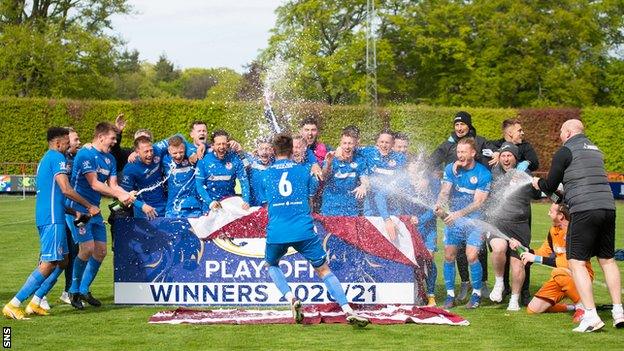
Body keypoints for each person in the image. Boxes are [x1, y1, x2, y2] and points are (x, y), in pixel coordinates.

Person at [261, 133, 369, 327]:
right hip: (304, 229)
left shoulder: (266, 174)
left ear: (274, 151)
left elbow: (266, 197)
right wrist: (314, 167)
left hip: (278, 230)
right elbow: (315, 186)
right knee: (324, 270)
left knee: (271, 265)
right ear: (291, 150)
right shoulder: (304, 170)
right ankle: (347, 309)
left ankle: (291, 298)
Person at [532, 119, 623, 332]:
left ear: (569, 132)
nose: (561, 136)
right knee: (608, 260)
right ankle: (618, 311)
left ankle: (590, 315)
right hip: (608, 208)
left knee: (577, 263)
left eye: (562, 132)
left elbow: (550, 185)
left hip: (584, 210)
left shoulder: (565, 151)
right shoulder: (596, 150)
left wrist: (538, 184)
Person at [3, 127, 100, 319]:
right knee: (48, 263)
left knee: (62, 260)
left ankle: (36, 301)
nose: (68, 145)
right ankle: (14, 304)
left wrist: (75, 211)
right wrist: (89, 206)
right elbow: (66, 189)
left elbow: (55, 196)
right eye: (66, 142)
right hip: (52, 219)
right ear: (58, 143)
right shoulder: (57, 158)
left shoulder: (47, 159)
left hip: (52, 215)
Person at [65, 122, 135, 309]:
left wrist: (127, 194)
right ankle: (73, 290)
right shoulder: (85, 154)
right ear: (101, 137)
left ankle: (84, 290)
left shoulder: (110, 159)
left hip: (94, 210)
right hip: (78, 209)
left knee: (101, 251)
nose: (114, 142)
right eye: (112, 138)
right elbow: (95, 184)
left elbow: (113, 186)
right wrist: (119, 195)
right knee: (87, 249)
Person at [430, 111, 494, 301]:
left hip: (474, 220)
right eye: (458, 152)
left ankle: (476, 293)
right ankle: (450, 294)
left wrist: (457, 214)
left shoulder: (483, 173)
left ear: (473, 153)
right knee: (449, 256)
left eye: (463, 152)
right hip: (454, 219)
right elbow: (444, 191)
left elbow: (479, 202)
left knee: (472, 256)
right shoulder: (451, 168)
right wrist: (440, 204)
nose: (460, 155)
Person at [509, 203, 588, 321]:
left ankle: (584, 307)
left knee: (558, 271)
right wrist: (523, 249)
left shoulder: (574, 231)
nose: (548, 213)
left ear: (561, 216)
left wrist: (535, 258)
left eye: (551, 211)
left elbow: (569, 263)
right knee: (533, 309)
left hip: (579, 276)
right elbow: (543, 252)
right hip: (561, 277)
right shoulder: (553, 230)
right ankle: (573, 307)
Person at [489, 119, 539, 305]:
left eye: (510, 156)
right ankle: (500, 284)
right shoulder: (493, 173)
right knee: (499, 248)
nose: (506, 158)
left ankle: (515, 299)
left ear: (516, 159)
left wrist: (531, 181)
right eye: (504, 155)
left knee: (519, 261)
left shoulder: (524, 175)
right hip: (498, 223)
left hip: (519, 224)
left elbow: (538, 191)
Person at [361, 130, 407, 240]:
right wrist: (338, 149)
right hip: (371, 209)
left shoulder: (399, 158)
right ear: (377, 142)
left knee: (391, 245)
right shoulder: (369, 152)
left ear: (392, 144)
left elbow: (393, 186)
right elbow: (350, 148)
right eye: (381, 142)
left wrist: (387, 218)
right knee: (370, 243)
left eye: (387, 142)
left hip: (391, 210)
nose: (384, 145)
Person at [195, 130, 250, 212]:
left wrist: (246, 201)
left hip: (230, 204)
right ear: (212, 146)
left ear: (228, 144)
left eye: (224, 144)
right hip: (210, 207)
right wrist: (210, 203)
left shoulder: (235, 159)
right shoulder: (204, 161)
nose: (221, 147)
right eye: (218, 144)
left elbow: (244, 182)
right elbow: (199, 185)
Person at [320, 130, 368, 216]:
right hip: (330, 208)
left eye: (350, 143)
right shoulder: (332, 158)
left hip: (351, 208)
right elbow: (323, 177)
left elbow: (364, 178)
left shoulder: (359, 160)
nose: (347, 147)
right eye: (344, 143)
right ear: (340, 144)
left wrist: (363, 185)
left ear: (355, 145)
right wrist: (328, 164)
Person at [120, 136, 167, 219]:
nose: (150, 154)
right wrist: (141, 206)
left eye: (151, 150)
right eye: (146, 151)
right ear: (137, 152)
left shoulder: (157, 149)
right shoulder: (130, 168)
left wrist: (192, 153)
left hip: (164, 206)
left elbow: (179, 137)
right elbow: (124, 194)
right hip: (145, 211)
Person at [163, 135, 203, 218]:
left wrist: (195, 150)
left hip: (193, 207)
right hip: (173, 208)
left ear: (185, 149)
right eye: (175, 153)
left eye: (181, 152)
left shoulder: (192, 157)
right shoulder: (164, 160)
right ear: (169, 151)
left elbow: (209, 147)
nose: (178, 155)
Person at [245, 138, 274, 207]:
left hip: (271, 205)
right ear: (257, 151)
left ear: (272, 151)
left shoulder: (276, 164)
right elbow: (241, 154)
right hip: (254, 206)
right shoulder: (251, 162)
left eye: (267, 149)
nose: (264, 152)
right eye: (261, 149)